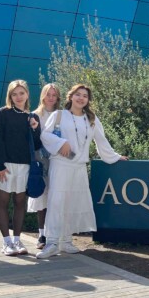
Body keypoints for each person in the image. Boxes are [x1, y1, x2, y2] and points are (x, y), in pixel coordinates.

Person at [36, 84, 127, 259]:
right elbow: (45, 135)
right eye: (78, 94)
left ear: (87, 100)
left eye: (85, 96)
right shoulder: (59, 115)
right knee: (57, 202)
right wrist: (61, 143)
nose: (81, 98)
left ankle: (66, 241)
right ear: (71, 97)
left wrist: (115, 157)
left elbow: (101, 141)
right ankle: (52, 242)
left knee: (72, 202)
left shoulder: (91, 119)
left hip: (79, 168)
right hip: (61, 164)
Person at [0, 80, 41, 256]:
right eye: (14, 94)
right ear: (10, 96)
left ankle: (17, 240)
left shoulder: (32, 117)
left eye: (21, 93)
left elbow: (37, 145)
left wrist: (35, 129)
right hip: (5, 166)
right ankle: (6, 243)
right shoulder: (3, 113)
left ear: (27, 95)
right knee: (3, 202)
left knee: (19, 203)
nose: (18, 97)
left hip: (24, 166)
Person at [27, 83, 61, 250]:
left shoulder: (62, 115)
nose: (51, 98)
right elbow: (32, 139)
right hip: (41, 159)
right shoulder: (35, 115)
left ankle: (55, 233)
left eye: (54, 95)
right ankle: (42, 234)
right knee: (42, 195)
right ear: (43, 95)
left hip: (58, 160)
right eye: (48, 94)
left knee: (56, 197)